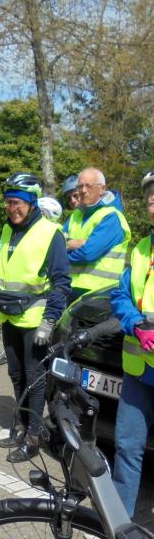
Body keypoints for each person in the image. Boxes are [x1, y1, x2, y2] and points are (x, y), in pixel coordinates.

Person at [0, 173, 71, 463]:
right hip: (9, 314)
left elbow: (62, 282)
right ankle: (23, 426)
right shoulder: (7, 229)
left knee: (35, 380)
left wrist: (49, 321)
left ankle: (34, 438)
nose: (11, 208)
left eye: (17, 203)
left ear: (31, 202)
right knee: (16, 375)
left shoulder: (51, 233)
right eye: (8, 202)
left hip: (35, 318)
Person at [110, 172, 154, 518]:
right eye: (151, 200)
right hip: (139, 371)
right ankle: (118, 523)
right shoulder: (140, 250)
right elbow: (121, 295)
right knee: (127, 446)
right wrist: (136, 324)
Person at [64, 167, 130, 303]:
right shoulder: (76, 215)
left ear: (102, 189)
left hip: (99, 294)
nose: (83, 190)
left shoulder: (111, 216)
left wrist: (61, 253)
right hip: (70, 289)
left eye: (89, 186)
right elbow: (55, 242)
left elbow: (88, 253)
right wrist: (71, 243)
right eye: (80, 186)